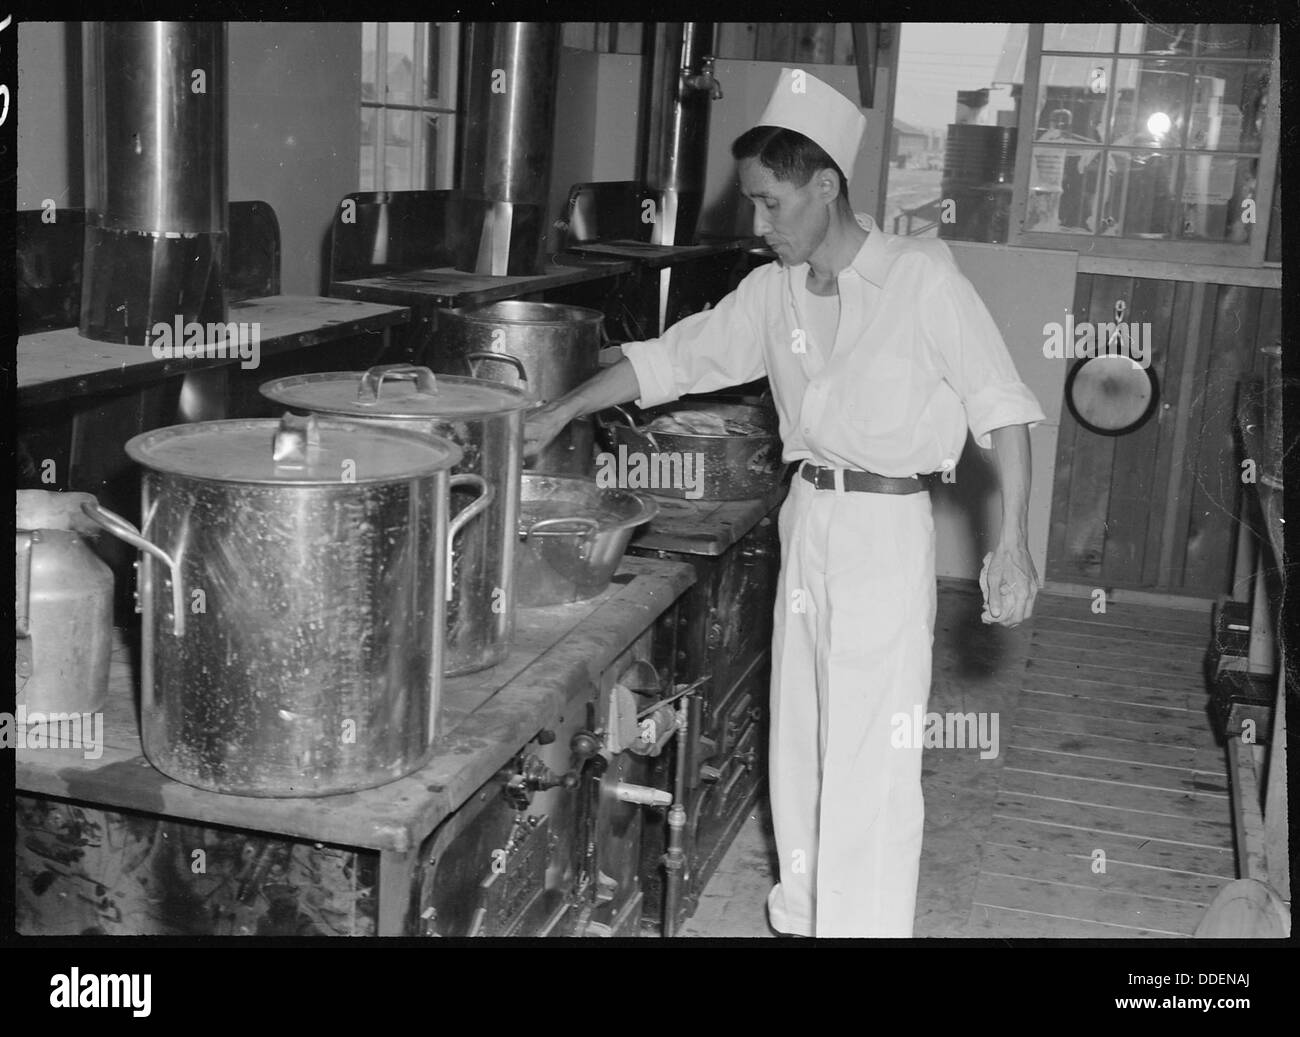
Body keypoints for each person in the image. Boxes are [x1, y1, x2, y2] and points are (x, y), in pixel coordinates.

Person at [525, 68, 1046, 937]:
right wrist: (562, 407)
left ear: (826, 186)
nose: (759, 226)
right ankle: (804, 916)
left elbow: (1004, 407)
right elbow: (672, 359)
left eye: (771, 204)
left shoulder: (921, 278)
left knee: (870, 747)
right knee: (798, 736)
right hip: (807, 516)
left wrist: (1013, 541)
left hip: (886, 526)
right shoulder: (773, 292)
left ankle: (865, 927)